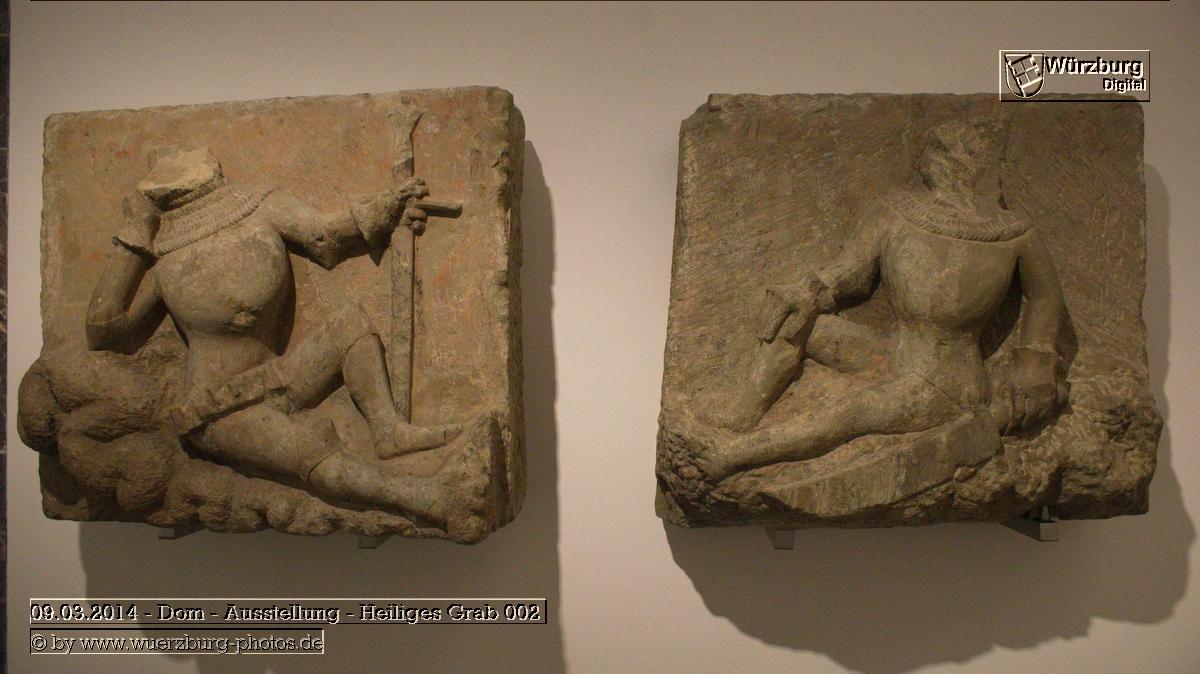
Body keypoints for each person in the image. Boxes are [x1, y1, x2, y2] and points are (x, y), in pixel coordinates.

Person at [85, 148, 492, 531]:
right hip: (218, 407)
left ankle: (389, 431)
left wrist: (388, 207)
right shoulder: (167, 254)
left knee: (350, 325)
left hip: (278, 375)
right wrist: (134, 237)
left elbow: (325, 233)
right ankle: (428, 498)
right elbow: (105, 329)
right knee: (312, 453)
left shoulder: (257, 205)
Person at [688, 119, 1068, 483]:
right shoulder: (896, 212)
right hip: (890, 353)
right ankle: (744, 412)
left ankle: (737, 455)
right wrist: (808, 293)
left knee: (851, 413)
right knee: (796, 320)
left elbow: (1045, 296)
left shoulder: (1014, 233)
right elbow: (850, 271)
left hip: (945, 382)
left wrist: (1036, 363)